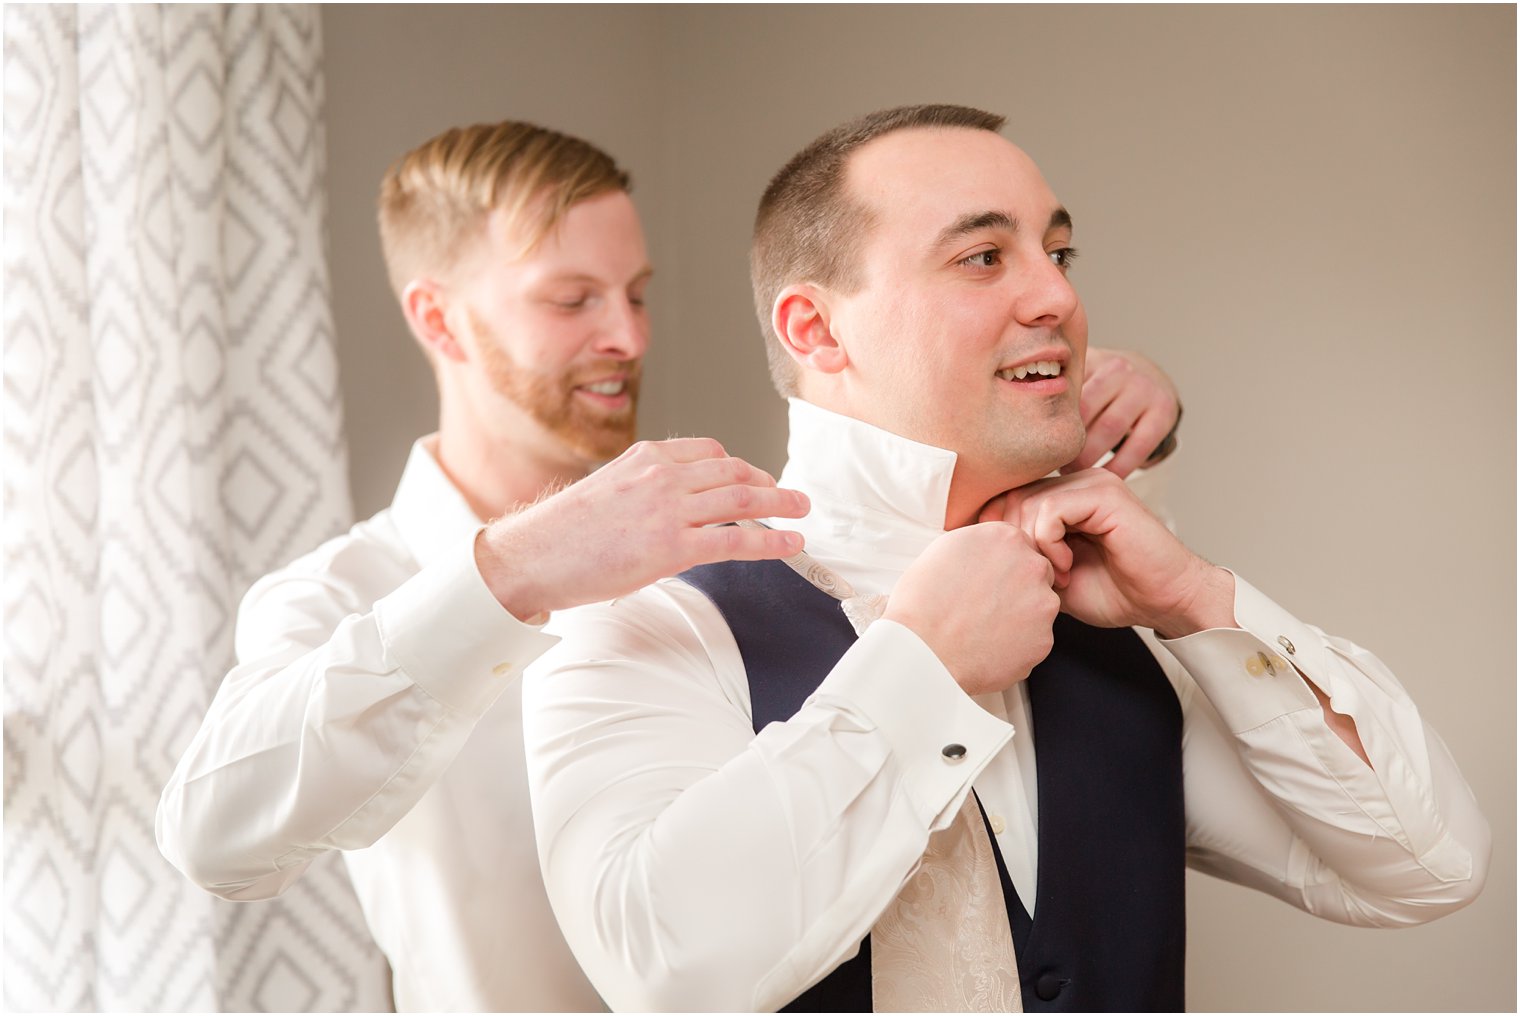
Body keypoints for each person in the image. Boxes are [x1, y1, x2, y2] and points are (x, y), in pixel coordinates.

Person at [155, 119, 1183, 1012]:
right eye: (571, 299)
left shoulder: (741, 553)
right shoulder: (341, 591)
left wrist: (1050, 404)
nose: (627, 336)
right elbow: (214, 838)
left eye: (637, 292)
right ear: (437, 318)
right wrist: (516, 572)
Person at [521, 104, 1491, 1013]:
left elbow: (1424, 864)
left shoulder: (1109, 627)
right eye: (983, 256)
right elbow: (660, 966)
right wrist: (922, 666)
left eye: (1057, 250)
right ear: (815, 328)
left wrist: (1197, 600)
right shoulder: (652, 620)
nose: (1058, 294)